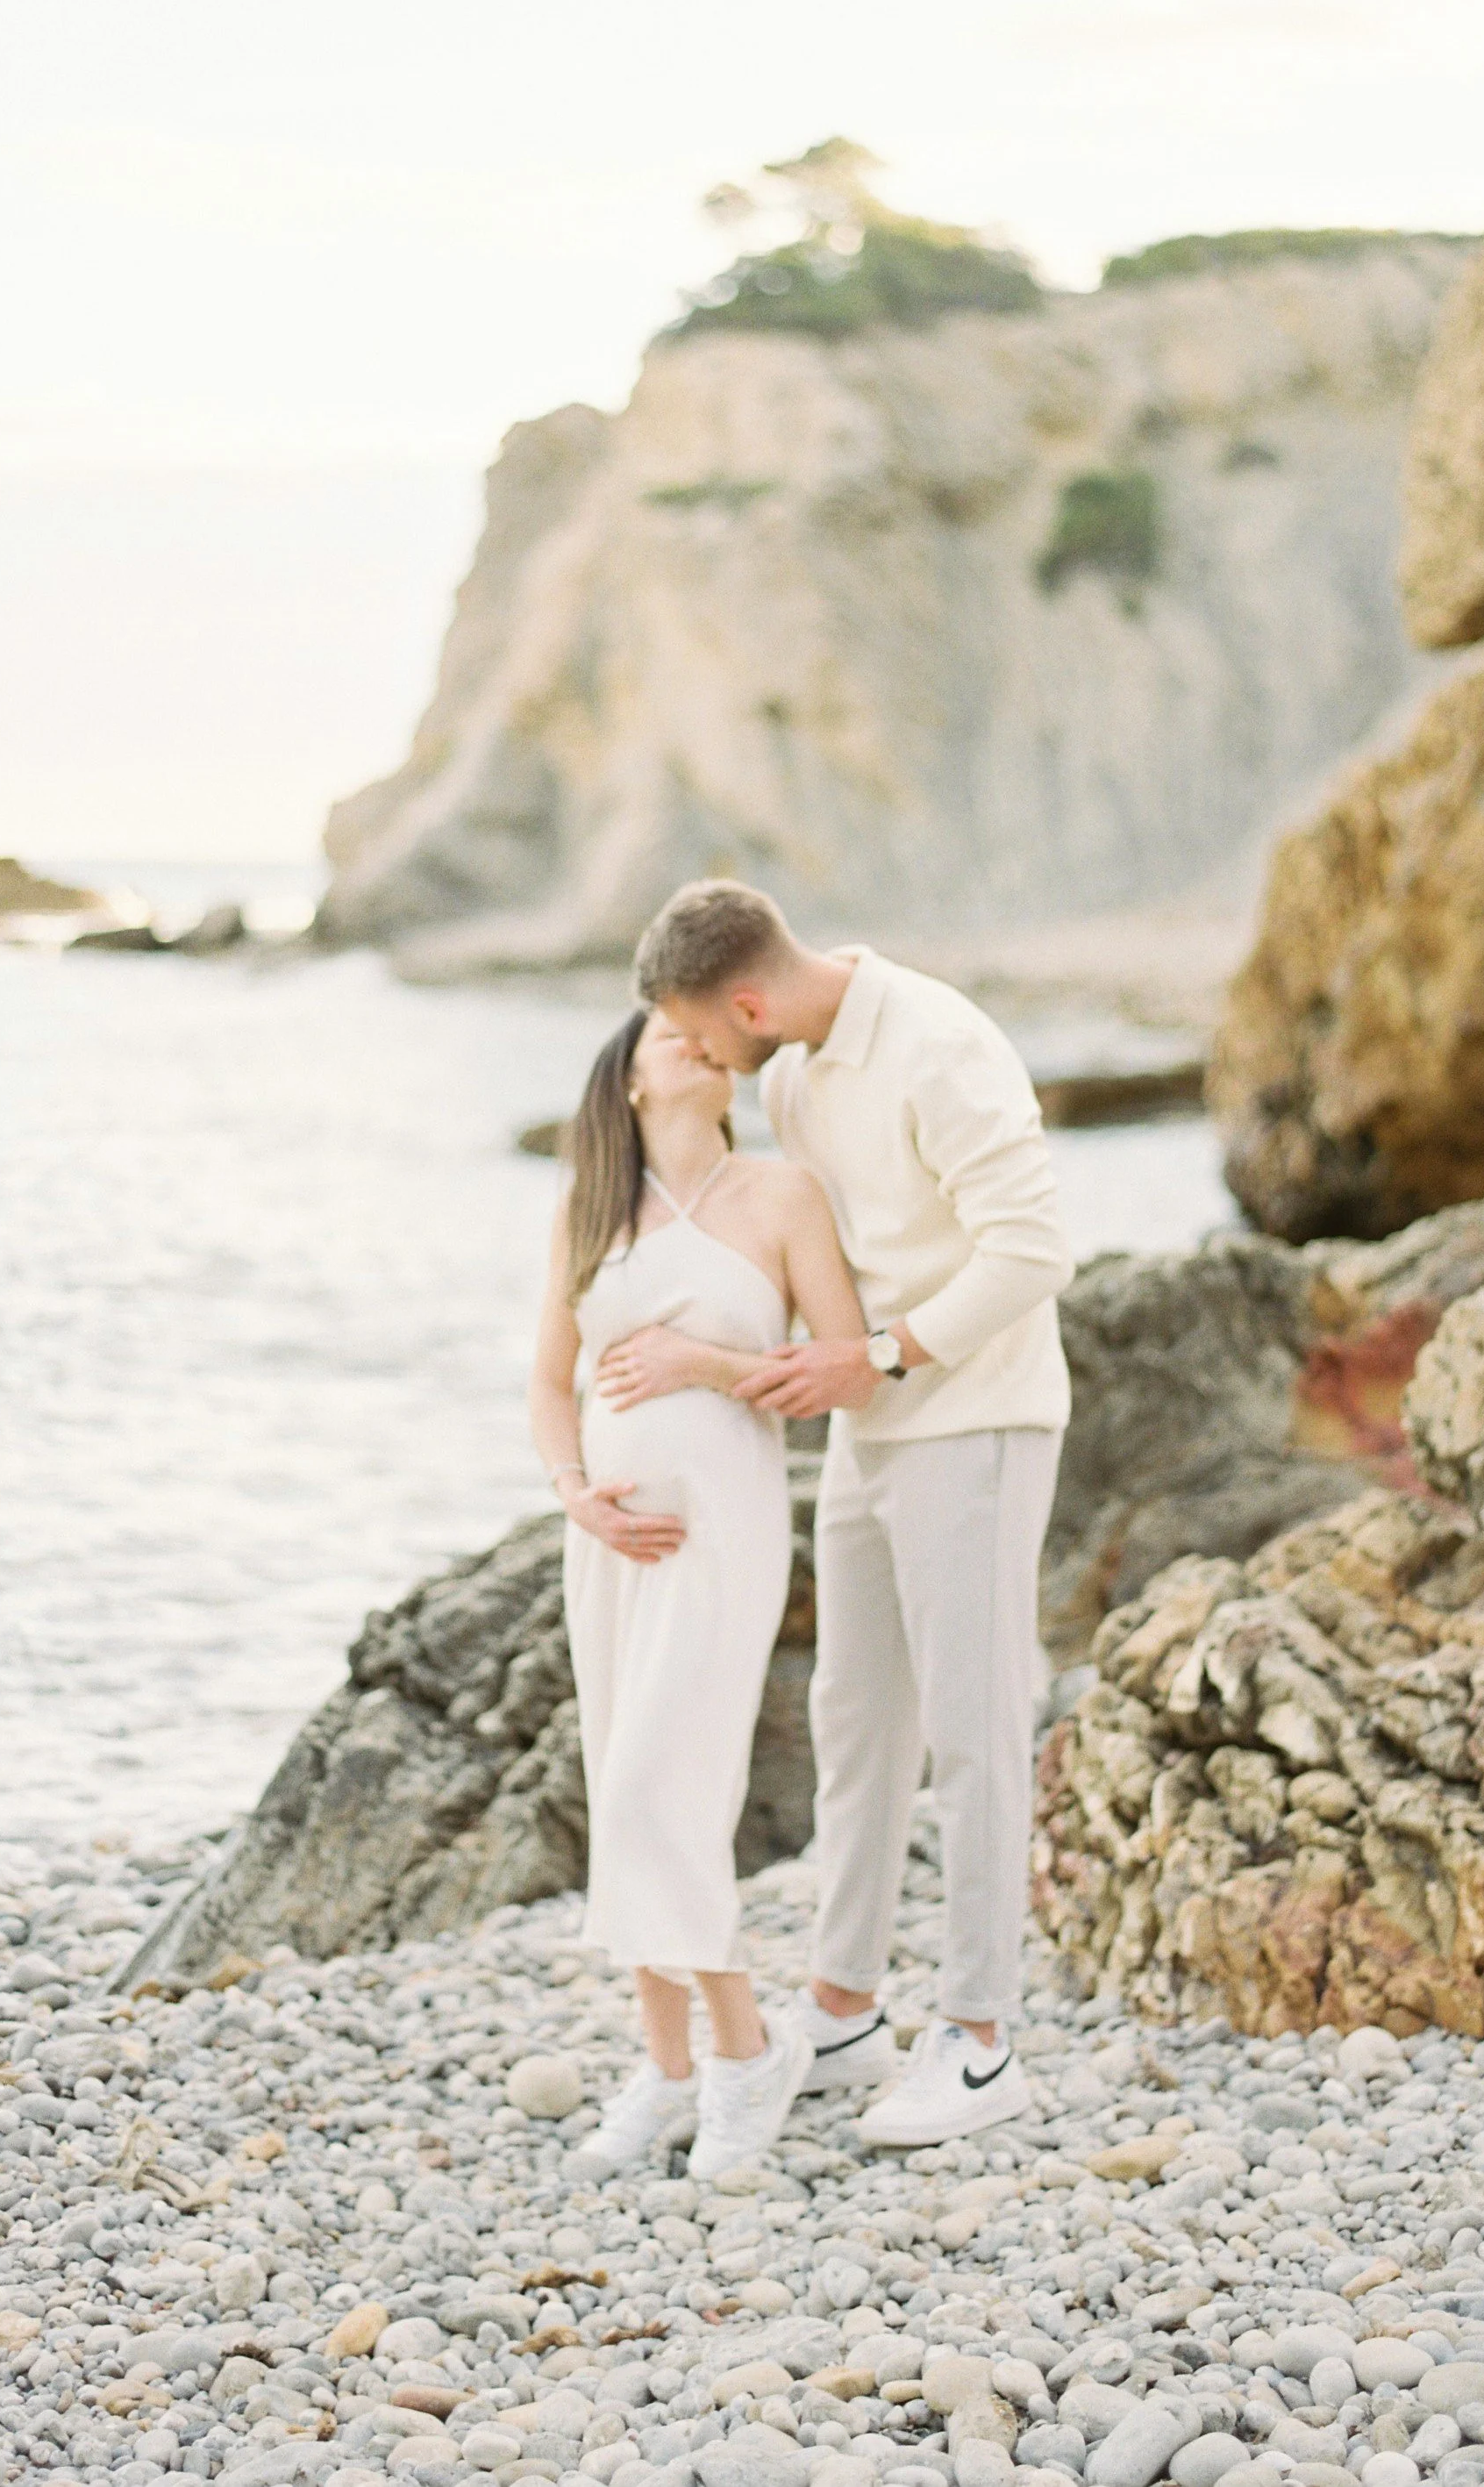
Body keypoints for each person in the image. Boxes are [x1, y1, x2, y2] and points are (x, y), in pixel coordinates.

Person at [630, 879, 1073, 2148]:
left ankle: (983, 2040)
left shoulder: (944, 1045)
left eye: (703, 1034)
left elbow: (1035, 1250)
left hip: (975, 1421)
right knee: (855, 1717)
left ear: (749, 1000)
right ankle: (845, 2006)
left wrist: (876, 1356)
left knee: (976, 1725)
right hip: (870, 1428)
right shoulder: (792, 1080)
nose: (704, 1059)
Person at [527, 1004, 869, 2181]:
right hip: (613, 1544)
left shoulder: (784, 1198)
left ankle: (745, 2050)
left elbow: (843, 1369)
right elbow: (549, 1380)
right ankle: (667, 2071)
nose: (692, 1037)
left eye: (701, 1030)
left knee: (649, 1791)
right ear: (624, 1080)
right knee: (630, 1778)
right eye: (664, 1031)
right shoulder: (589, 1209)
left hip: (721, 1534)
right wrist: (575, 1490)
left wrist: (706, 1365)